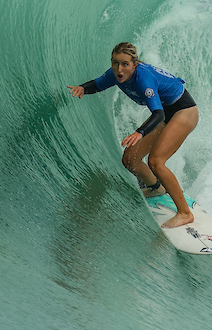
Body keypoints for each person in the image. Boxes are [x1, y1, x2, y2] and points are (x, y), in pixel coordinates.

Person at [67, 42, 199, 229]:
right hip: (165, 111)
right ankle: (155, 188)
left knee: (156, 161)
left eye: (124, 64)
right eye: (115, 63)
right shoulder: (116, 74)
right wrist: (82, 88)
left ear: (134, 64)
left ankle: (185, 213)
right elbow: (97, 84)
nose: (119, 69)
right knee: (130, 159)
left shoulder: (144, 79)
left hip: (183, 110)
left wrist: (140, 132)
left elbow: (158, 114)